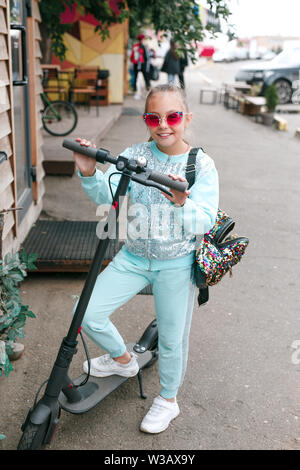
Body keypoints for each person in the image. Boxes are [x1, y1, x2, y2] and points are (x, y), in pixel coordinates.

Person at [73, 84, 219, 434]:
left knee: (171, 338)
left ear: (187, 118)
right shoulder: (135, 154)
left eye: (173, 116)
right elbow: (108, 190)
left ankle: (168, 399)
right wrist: (90, 170)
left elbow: (205, 219)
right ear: (146, 120)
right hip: (134, 256)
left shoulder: (200, 164)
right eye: (154, 117)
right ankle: (124, 361)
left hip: (177, 261)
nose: (164, 124)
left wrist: (181, 202)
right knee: (86, 311)